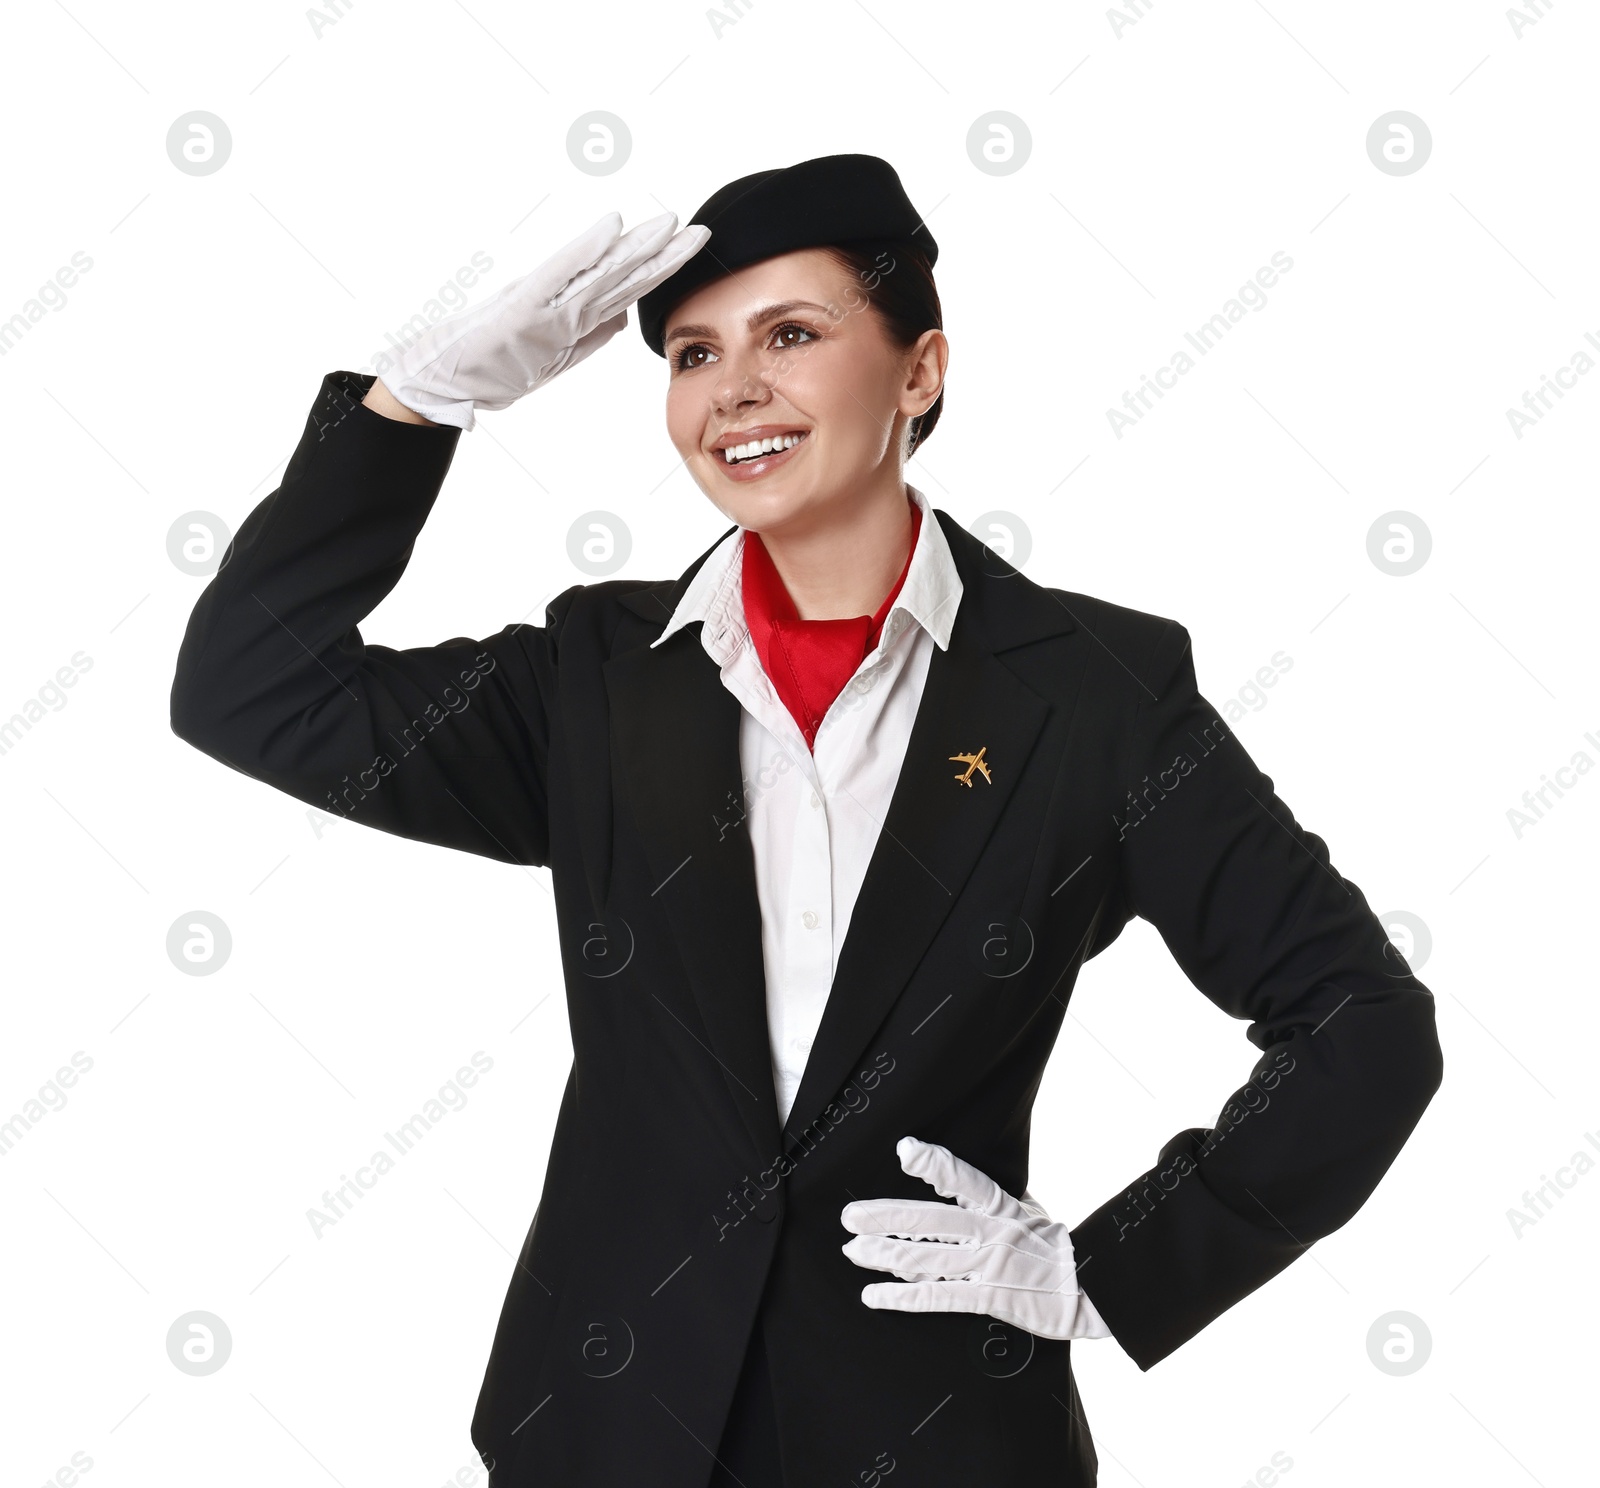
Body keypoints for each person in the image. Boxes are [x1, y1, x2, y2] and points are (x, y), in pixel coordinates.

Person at [170, 154, 1443, 1488]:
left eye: (792, 334)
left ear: (918, 372)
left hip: (935, 1430)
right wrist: (417, 409)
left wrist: (1106, 1271)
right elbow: (251, 693)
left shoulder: (1096, 699)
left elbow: (1362, 1024)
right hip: (603, 1428)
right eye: (692, 352)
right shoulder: (594, 683)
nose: (734, 389)